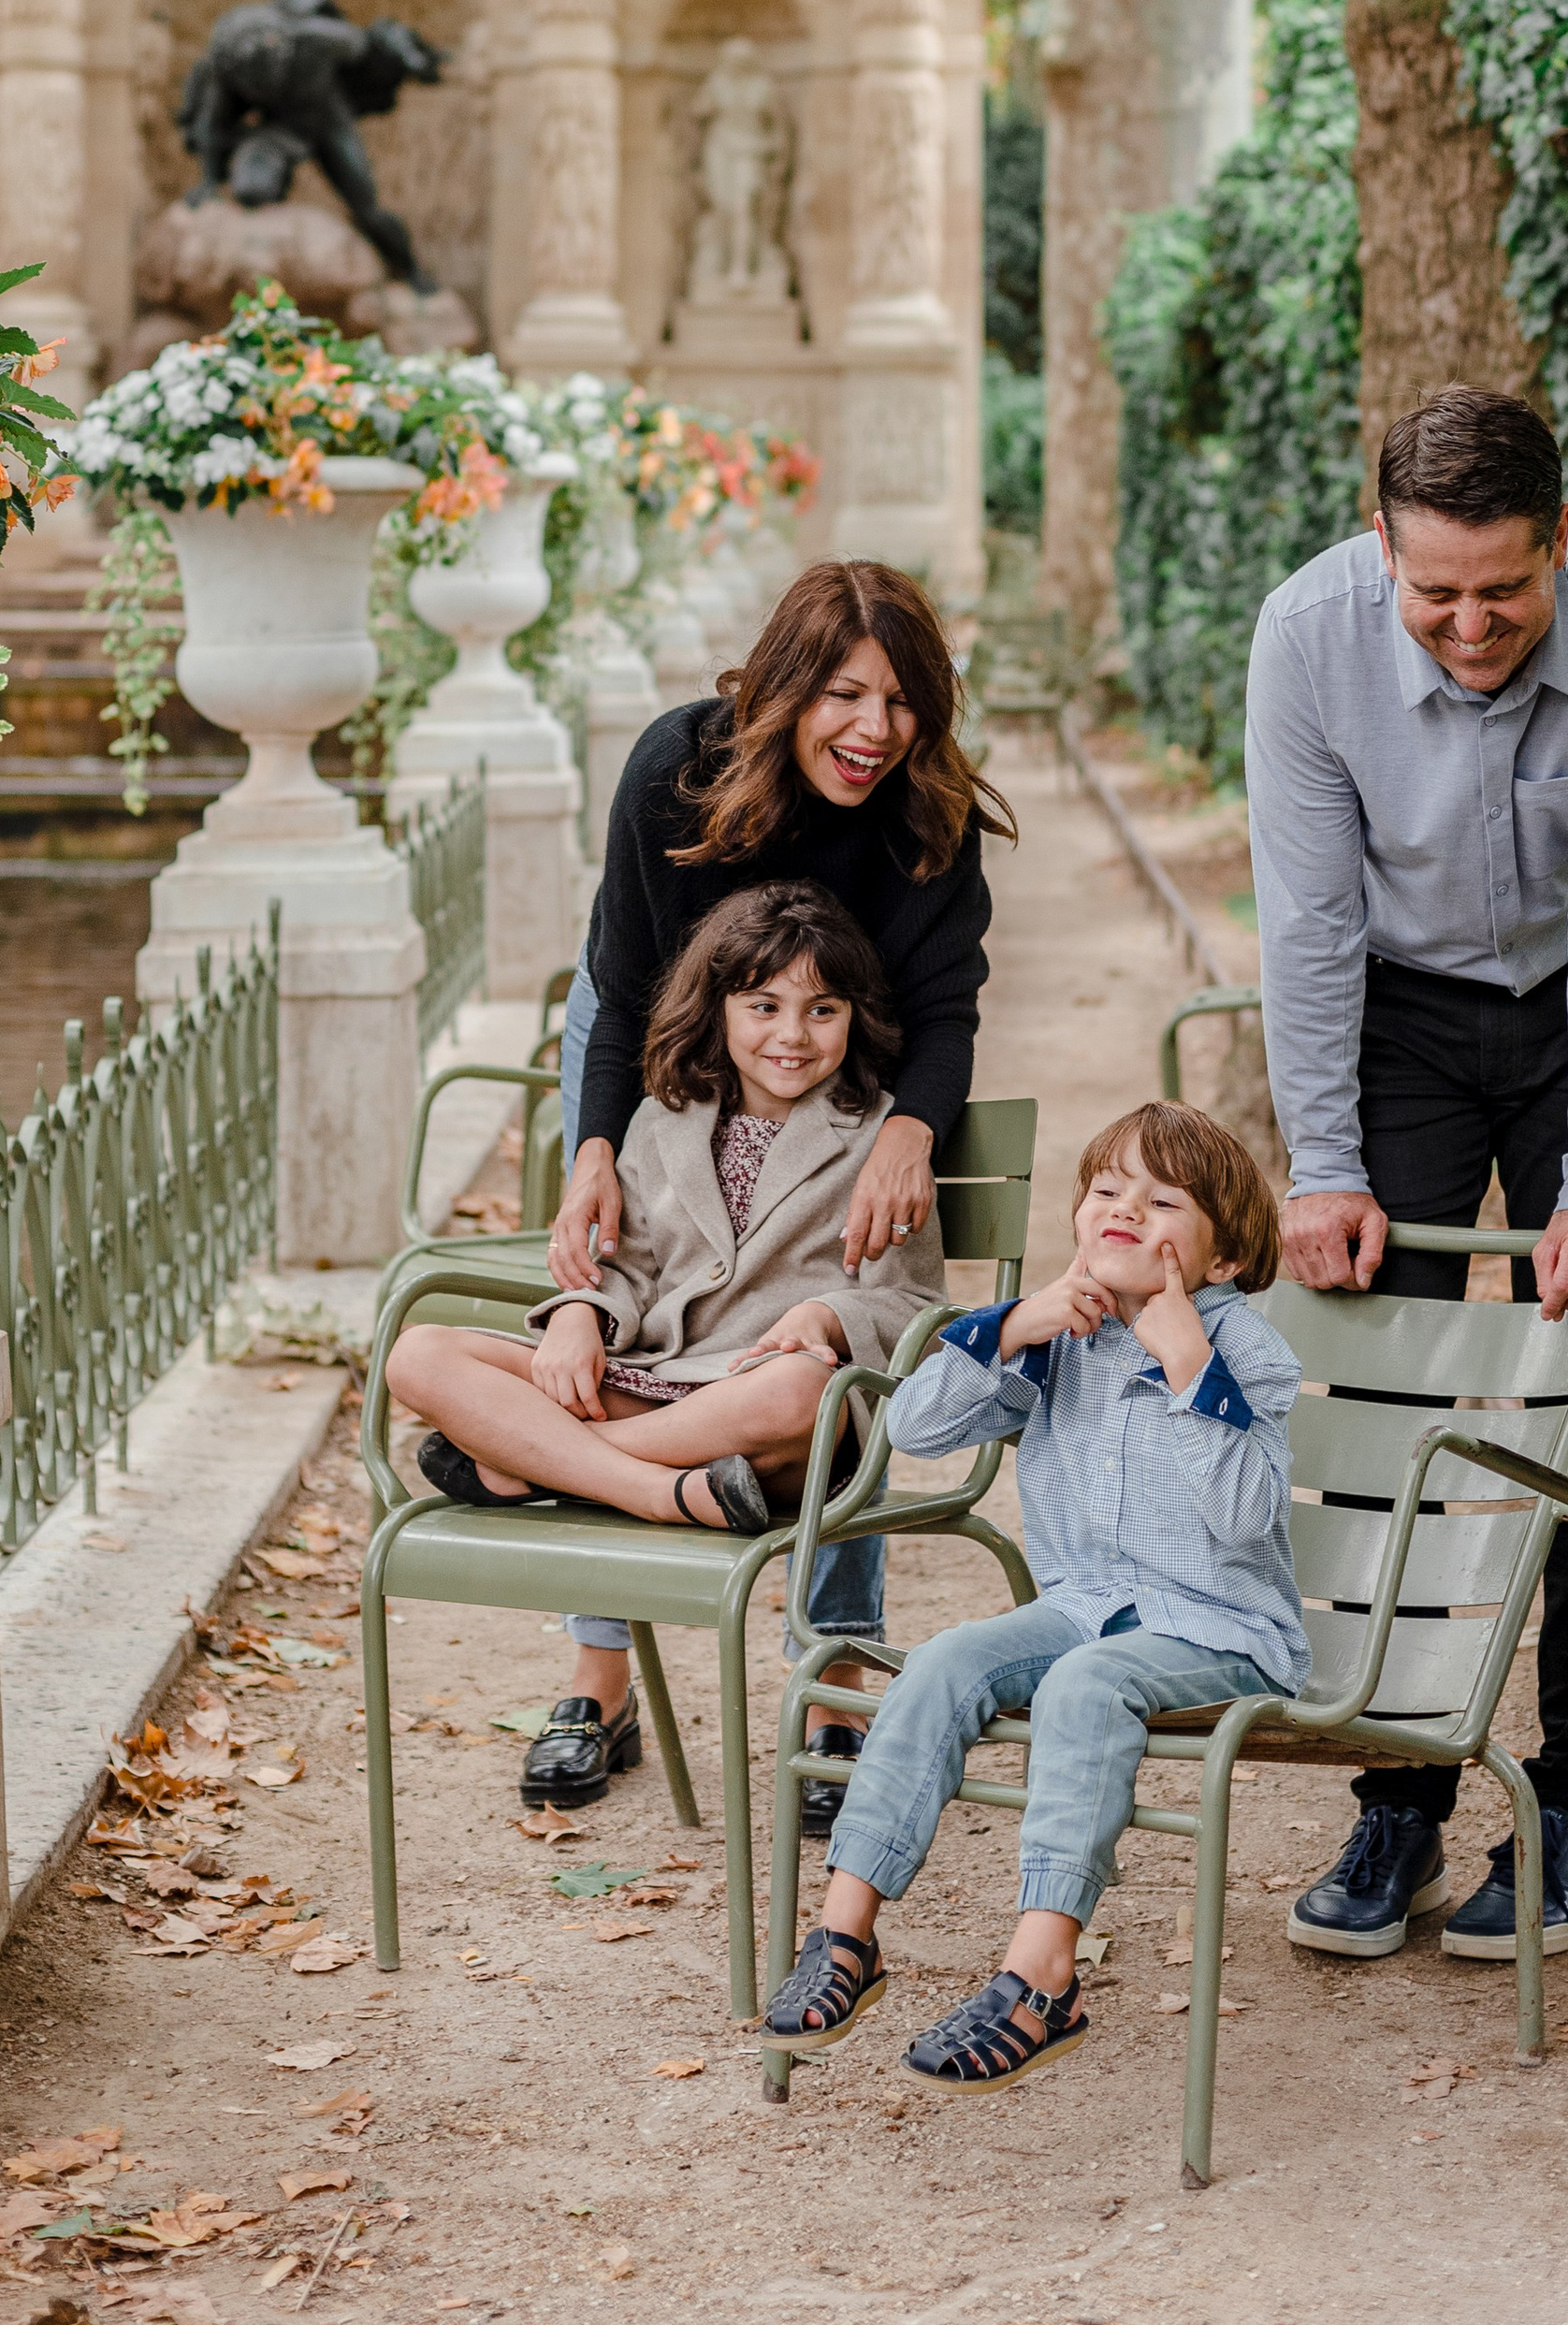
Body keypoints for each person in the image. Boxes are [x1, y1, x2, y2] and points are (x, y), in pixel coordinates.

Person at [1245, 384, 1568, 1965]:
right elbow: (1305, 916)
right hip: (1400, 1013)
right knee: (1379, 1396)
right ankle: (1399, 1791)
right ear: (1382, 553)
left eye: (1503, 589)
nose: (1468, 622)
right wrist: (1322, 1161)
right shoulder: (1307, 637)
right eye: (1432, 592)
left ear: (1560, 542)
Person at [532, 559, 1012, 1821]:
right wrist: (593, 1148)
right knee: (635, 1303)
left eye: (904, 699)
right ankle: (600, 1677)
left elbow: (949, 1006)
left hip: (852, 1048)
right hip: (658, 1030)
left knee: (824, 1313)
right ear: (786, 683)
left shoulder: (924, 812)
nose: (875, 727)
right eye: (847, 692)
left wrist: (913, 1127)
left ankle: (836, 1682)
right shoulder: (674, 771)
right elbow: (627, 985)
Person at [763, 1102, 1302, 2091]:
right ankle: (845, 1934)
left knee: (1086, 1686)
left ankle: (1041, 1977)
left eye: (1162, 1199)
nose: (1124, 1210)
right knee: (941, 1660)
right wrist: (1012, 1325)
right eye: (1105, 1190)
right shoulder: (1065, 1332)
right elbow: (917, 1430)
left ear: (1221, 1258)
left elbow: (1244, 1515)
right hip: (1084, 1604)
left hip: (1220, 1628)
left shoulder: (1246, 1350)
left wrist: (1188, 1360)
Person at [386, 883, 941, 1549]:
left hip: (765, 1420)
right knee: (420, 1354)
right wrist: (579, 1314)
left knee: (798, 1391)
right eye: (763, 1006)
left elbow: (916, 1305)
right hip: (658, 1385)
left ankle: (542, 1461)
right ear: (720, 1009)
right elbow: (626, 1262)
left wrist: (827, 1317)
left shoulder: (883, 1139)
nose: (792, 1034)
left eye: (822, 1009)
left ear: (855, 1015)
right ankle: (652, 1491)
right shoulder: (662, 1119)